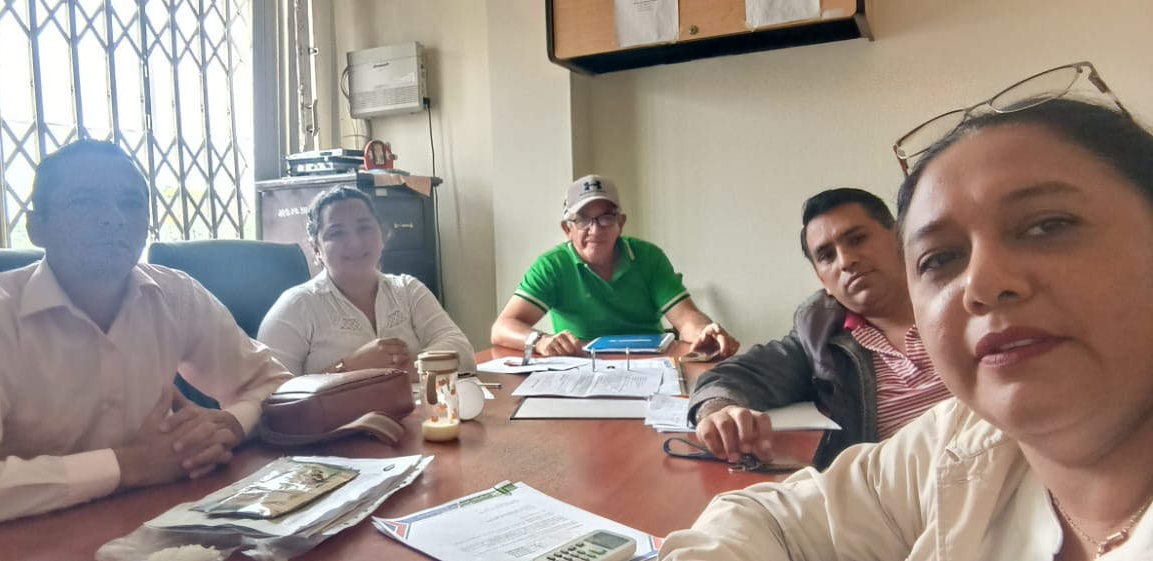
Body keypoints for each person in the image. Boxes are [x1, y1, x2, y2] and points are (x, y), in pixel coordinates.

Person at [660, 81, 1153, 559]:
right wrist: (718, 408)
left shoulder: (964, 430)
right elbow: (765, 518)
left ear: (894, 244)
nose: (982, 284)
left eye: (1048, 226)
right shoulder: (943, 439)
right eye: (942, 258)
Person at [0, 140, 292, 541]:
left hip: (152, 530)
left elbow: (280, 387)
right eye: (85, 201)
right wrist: (130, 466)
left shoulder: (175, 296)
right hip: (22, 541)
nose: (113, 218)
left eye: (131, 203)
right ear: (36, 227)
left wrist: (228, 425)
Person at [690, 188, 950, 469]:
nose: (846, 261)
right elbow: (733, 376)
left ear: (900, 237)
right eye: (827, 256)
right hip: (902, 486)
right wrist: (718, 411)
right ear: (822, 280)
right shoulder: (820, 338)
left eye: (857, 239)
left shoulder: (963, 299)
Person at [490, 174, 739, 359]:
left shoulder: (648, 257)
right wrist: (540, 340)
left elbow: (685, 319)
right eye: (583, 219)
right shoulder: (552, 266)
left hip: (650, 364)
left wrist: (704, 331)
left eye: (606, 218)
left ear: (621, 223)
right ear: (567, 229)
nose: (595, 230)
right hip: (581, 366)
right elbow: (502, 328)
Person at [258, 186, 475, 375]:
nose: (355, 242)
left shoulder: (407, 289)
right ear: (316, 248)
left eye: (364, 228)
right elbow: (273, 391)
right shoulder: (297, 306)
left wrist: (399, 371)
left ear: (382, 235)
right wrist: (351, 366)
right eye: (337, 233)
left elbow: (463, 353)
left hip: (418, 409)